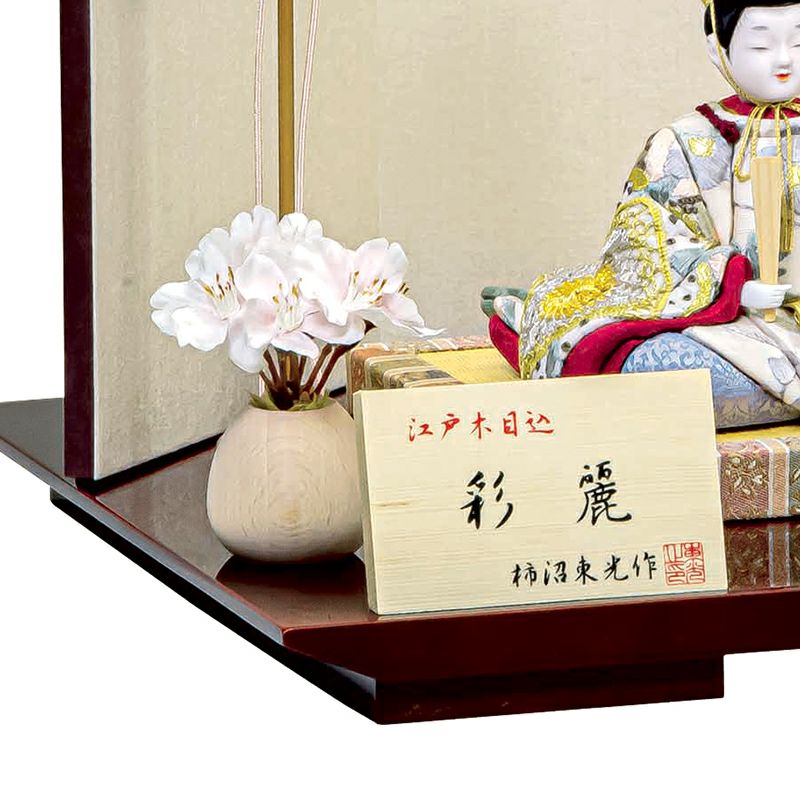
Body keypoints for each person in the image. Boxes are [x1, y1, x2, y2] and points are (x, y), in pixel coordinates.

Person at [486, 0, 800, 427]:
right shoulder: (685, 141)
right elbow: (647, 247)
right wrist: (737, 287)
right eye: (762, 46)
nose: (783, 60)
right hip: (730, 326)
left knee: (669, 393)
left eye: (798, 42)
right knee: (660, 366)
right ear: (718, 49)